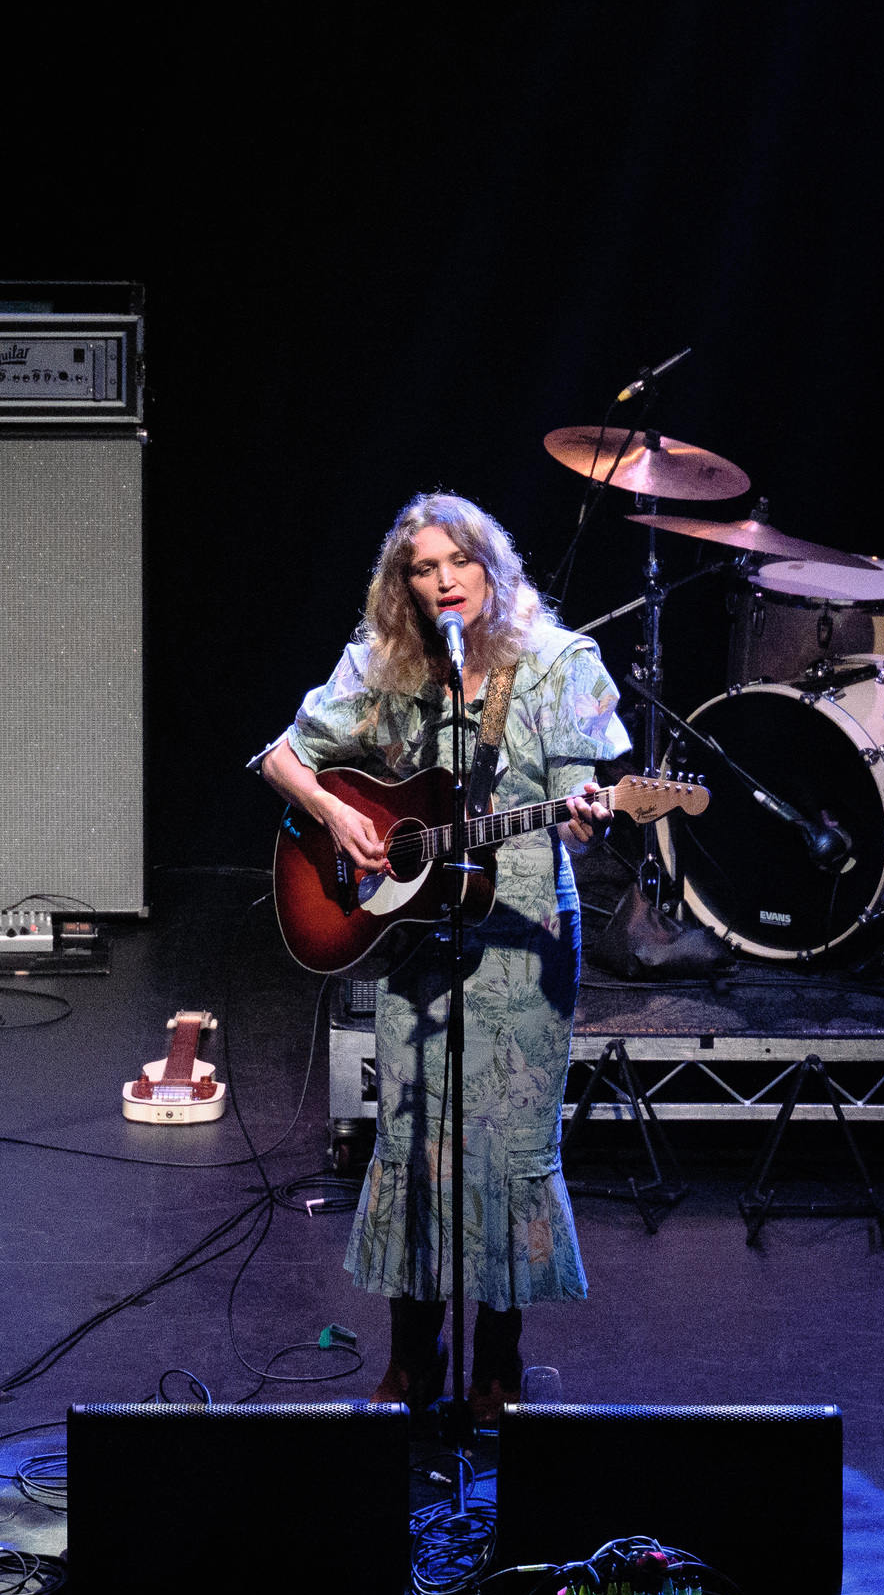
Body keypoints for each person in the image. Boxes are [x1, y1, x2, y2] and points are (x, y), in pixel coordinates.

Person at [256, 492, 629, 1423]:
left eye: (457, 560)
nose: (443, 580)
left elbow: (579, 810)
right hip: (419, 940)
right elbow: (279, 757)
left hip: (524, 934)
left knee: (507, 1151)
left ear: (490, 567)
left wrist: (588, 817)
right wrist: (336, 813)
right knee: (414, 1141)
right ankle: (411, 1364)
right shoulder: (382, 665)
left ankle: (497, 1366)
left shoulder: (557, 664)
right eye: (422, 569)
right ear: (405, 588)